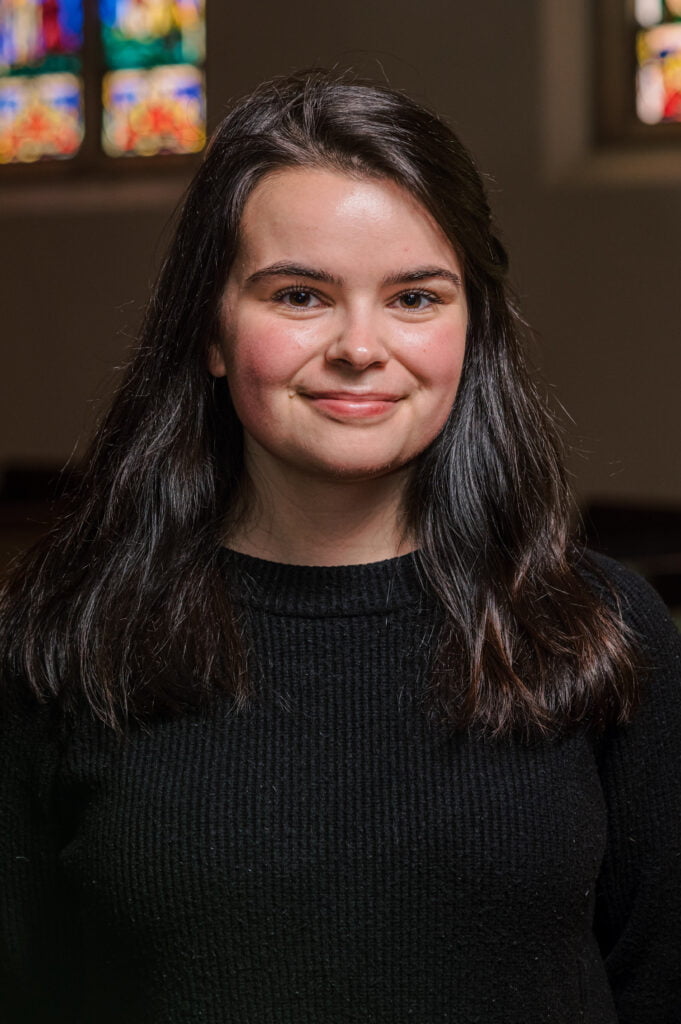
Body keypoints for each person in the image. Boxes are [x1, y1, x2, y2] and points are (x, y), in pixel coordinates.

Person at [1, 69, 680, 1024]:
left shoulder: (602, 634)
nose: (361, 346)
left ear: (470, 327)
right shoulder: (69, 640)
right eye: (299, 295)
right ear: (212, 330)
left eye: (413, 298)